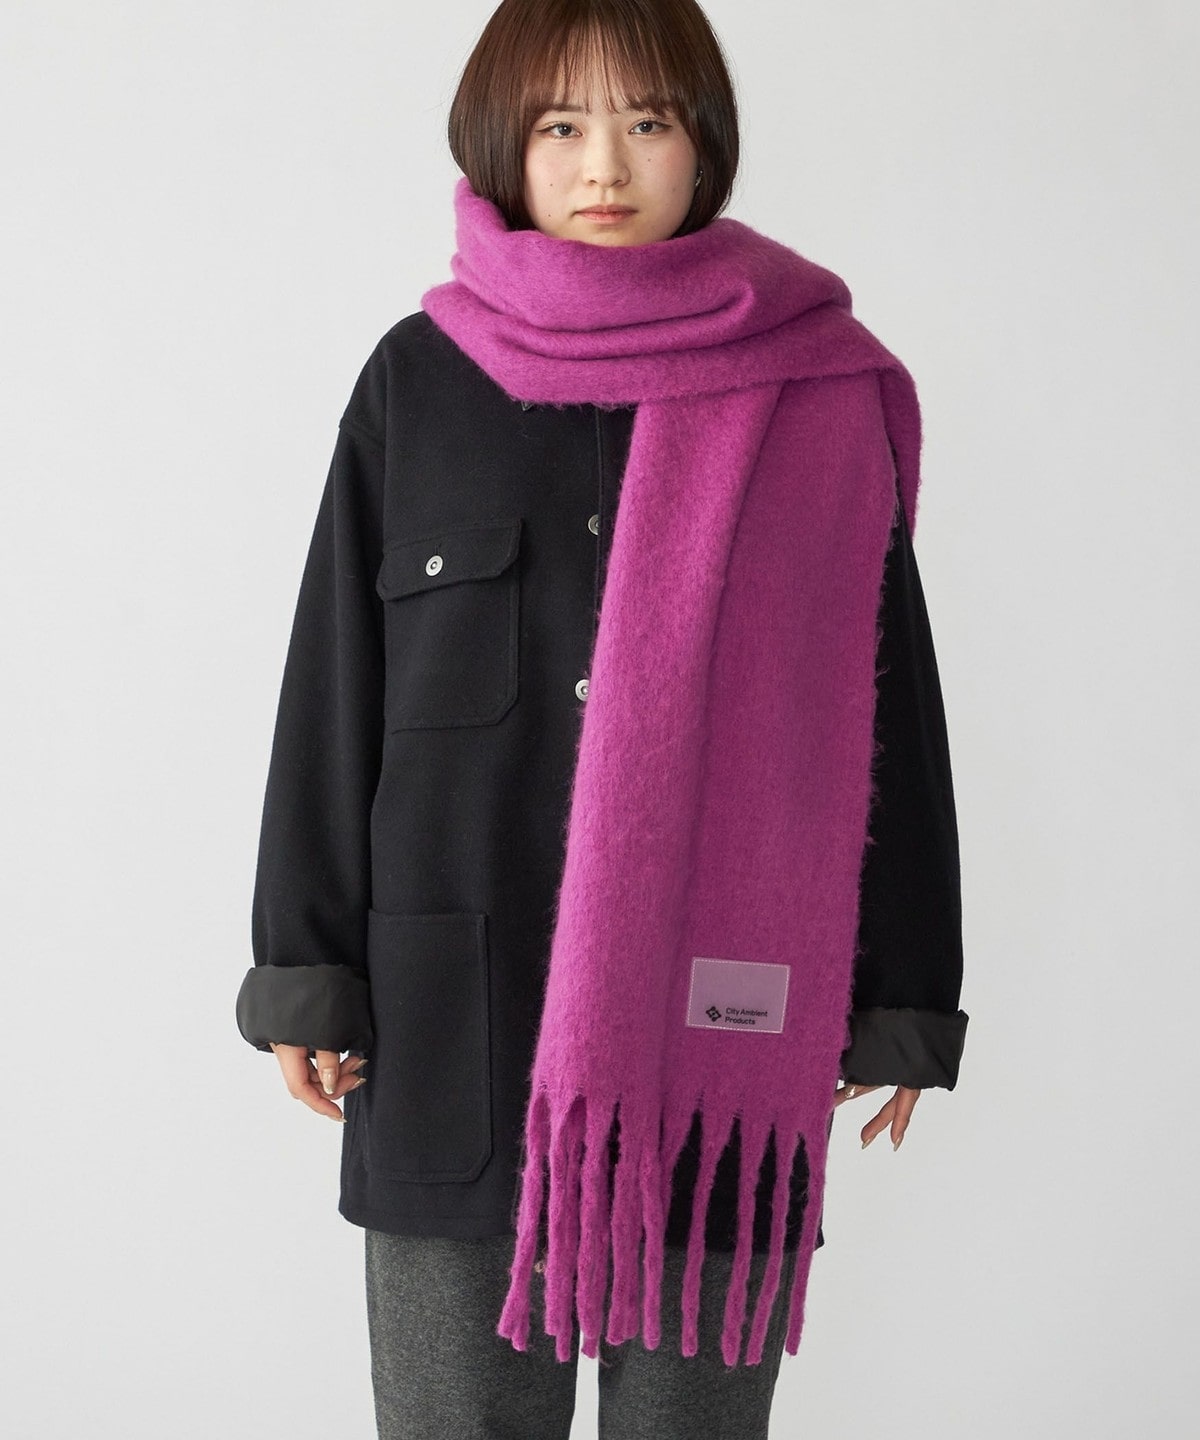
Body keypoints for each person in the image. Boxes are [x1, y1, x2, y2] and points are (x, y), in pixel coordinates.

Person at [235, 2, 968, 1435]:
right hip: (450, 1028)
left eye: (648, 121)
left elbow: (888, 705)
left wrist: (901, 994)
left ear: (706, 143)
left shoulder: (816, 394)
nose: (604, 165)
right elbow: (334, 684)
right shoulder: (419, 380)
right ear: (503, 143)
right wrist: (304, 969)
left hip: (713, 1048)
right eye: (562, 124)